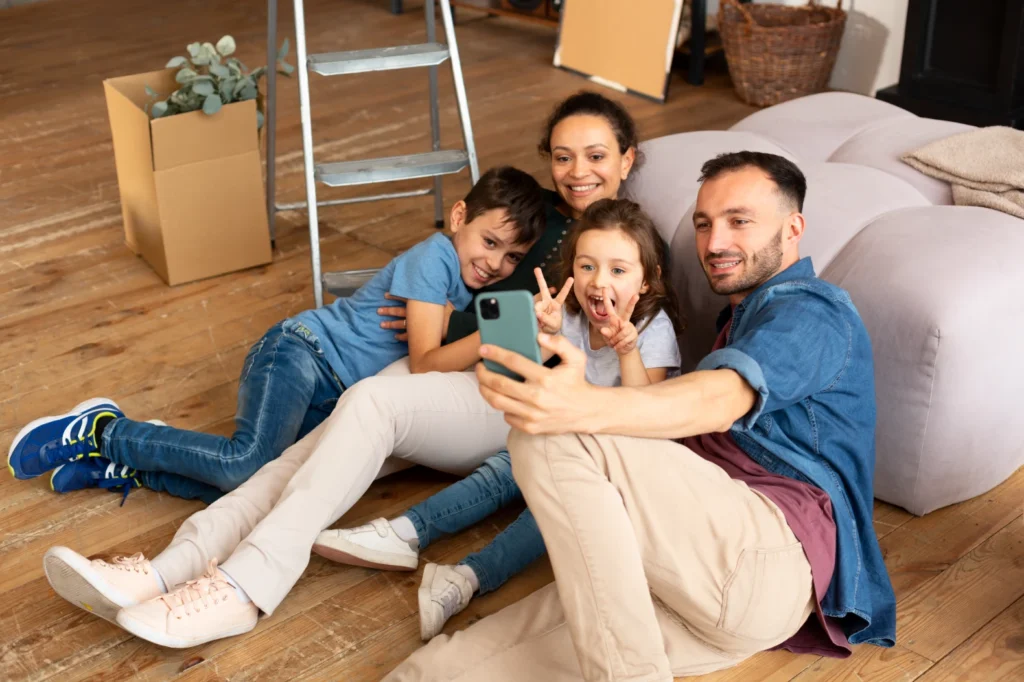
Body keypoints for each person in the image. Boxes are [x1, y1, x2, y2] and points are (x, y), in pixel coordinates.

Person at [39, 91, 647, 648]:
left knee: (364, 406)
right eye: (563, 157)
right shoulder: (535, 213)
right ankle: (171, 567)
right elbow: (461, 271)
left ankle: (244, 587)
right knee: (297, 459)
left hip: (499, 395)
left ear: (627, 159)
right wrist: (422, 315)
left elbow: (620, 364)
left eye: (594, 156)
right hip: (440, 369)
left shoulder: (635, 247)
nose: (577, 172)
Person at [385, 151, 898, 681]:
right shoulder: (742, 319)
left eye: (739, 221)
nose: (715, 242)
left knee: (550, 433)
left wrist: (579, 404)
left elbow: (723, 396)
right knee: (440, 670)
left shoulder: (814, 310)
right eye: (704, 224)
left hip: (761, 557)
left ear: (793, 229)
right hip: (696, 585)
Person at [7, 166, 546, 503]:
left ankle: (127, 466)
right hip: (303, 353)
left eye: (512, 257)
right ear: (459, 217)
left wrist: (463, 324)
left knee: (265, 483)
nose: (495, 263)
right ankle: (102, 430)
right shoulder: (434, 258)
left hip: (331, 393)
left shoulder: (464, 292)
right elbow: (427, 362)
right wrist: (484, 340)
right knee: (245, 463)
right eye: (490, 241)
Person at [313, 199, 683, 641]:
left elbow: (642, 411)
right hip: (560, 433)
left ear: (647, 281)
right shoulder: (570, 315)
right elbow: (515, 370)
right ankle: (404, 531)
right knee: (503, 468)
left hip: (612, 457)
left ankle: (466, 578)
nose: (599, 282)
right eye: (587, 267)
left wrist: (627, 351)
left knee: (552, 511)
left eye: (618, 271)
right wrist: (541, 333)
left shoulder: (652, 328)